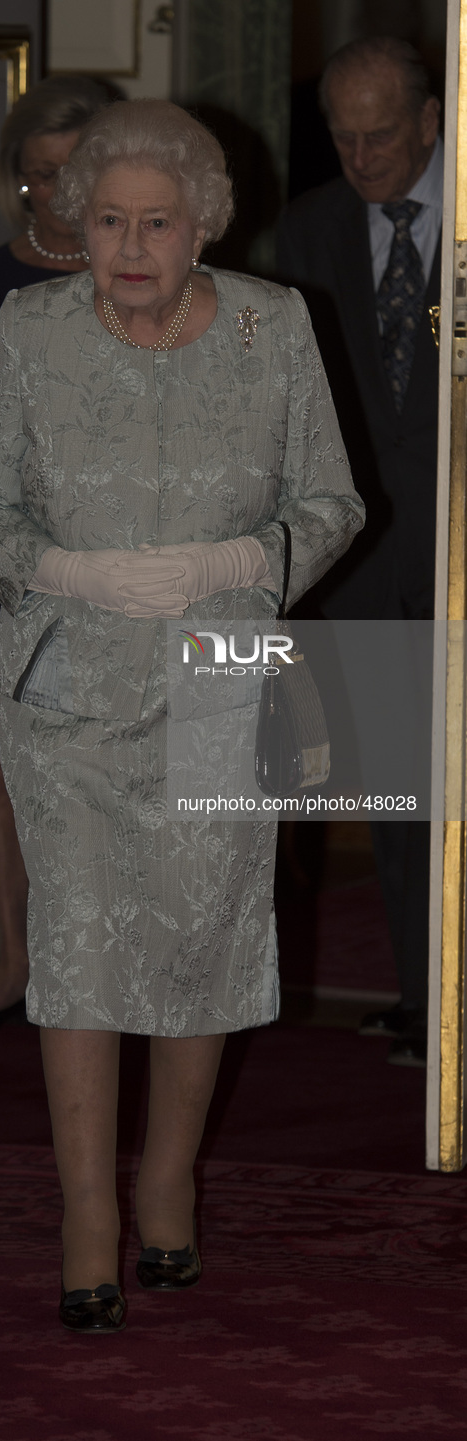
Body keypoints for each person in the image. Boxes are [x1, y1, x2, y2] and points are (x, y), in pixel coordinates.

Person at [0, 99, 364, 1333]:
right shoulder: (30, 326)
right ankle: (83, 1210)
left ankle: (167, 1180)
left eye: (155, 223)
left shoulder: (276, 328)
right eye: (107, 220)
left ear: (203, 225)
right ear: (77, 222)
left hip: (225, 659)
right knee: (76, 943)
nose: (128, 245)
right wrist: (58, 572)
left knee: (202, 936)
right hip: (70, 673)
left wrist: (247, 556)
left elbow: (332, 502)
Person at [276, 37, 442, 1068]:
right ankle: (430, 1005)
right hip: (368, 563)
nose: (362, 154)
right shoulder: (307, 230)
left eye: (381, 133)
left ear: (430, 121)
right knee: (397, 802)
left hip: (462, 547)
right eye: (342, 134)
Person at [0, 76, 108, 1033]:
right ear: (17, 180)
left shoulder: (141, 267)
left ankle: (109, 963)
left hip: (118, 558)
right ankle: (16, 962)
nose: (56, 193)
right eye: (39, 176)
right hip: (3, 558)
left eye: (73, 171)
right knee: (0, 763)